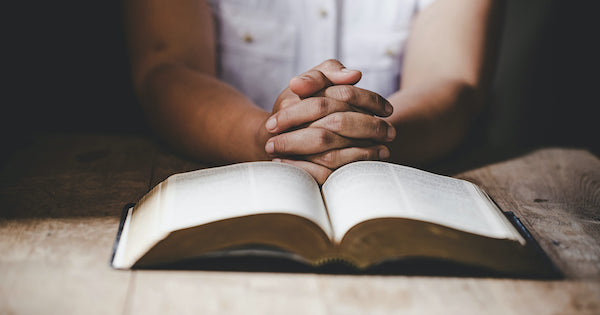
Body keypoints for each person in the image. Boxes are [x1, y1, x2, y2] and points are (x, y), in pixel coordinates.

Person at [123, 0, 503, 184]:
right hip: (222, 182)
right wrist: (266, 137)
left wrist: (363, 139)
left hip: (398, 185)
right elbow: (167, 68)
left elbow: (455, 82)